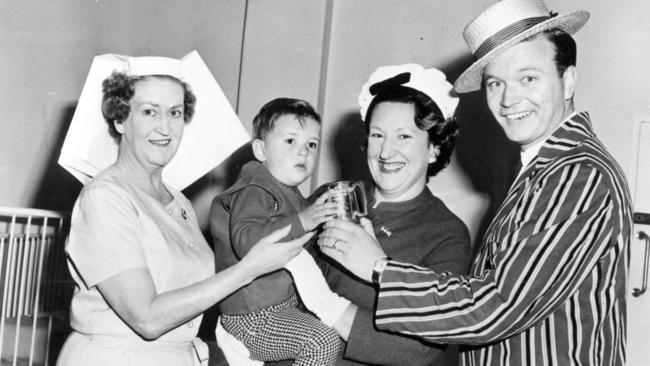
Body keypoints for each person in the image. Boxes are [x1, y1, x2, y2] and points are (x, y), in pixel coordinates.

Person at [318, 0, 633, 365]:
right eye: (496, 83)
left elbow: (497, 305)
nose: (509, 97)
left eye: (528, 77)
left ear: (569, 81)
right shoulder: (546, 169)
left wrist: (378, 267)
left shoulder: (578, 174)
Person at [57, 54, 311, 366]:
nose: (165, 127)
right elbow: (147, 319)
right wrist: (248, 270)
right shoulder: (104, 197)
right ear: (120, 119)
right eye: (150, 111)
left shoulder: (179, 202)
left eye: (175, 113)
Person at [316, 64, 473, 365]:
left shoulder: (447, 234)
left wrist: (326, 306)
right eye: (377, 135)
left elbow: (421, 349)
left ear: (434, 148)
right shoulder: (331, 196)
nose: (386, 152)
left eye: (404, 137)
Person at [210, 98, 344, 365]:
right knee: (322, 341)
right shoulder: (254, 189)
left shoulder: (288, 193)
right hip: (251, 316)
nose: (303, 152)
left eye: (312, 144)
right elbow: (246, 241)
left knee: (336, 331)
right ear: (261, 150)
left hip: (280, 306)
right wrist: (303, 221)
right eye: (290, 141)